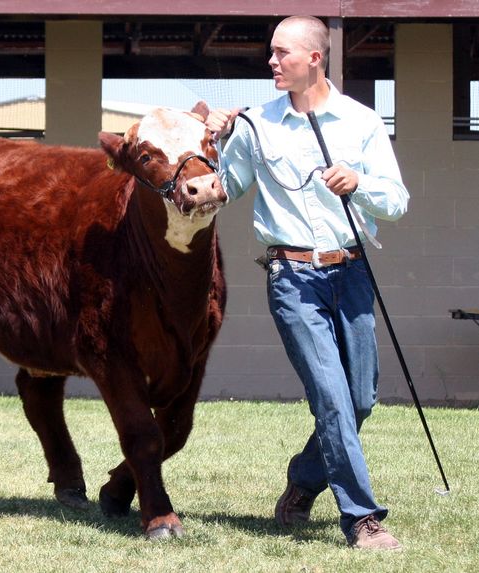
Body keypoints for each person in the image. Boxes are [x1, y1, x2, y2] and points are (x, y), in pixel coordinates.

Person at [206, 16, 409, 550]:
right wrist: (214, 141)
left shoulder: (360, 121)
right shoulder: (255, 125)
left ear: (314, 58)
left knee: (361, 398)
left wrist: (359, 182)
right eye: (271, 54)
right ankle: (362, 518)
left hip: (353, 270)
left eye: (281, 53)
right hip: (292, 277)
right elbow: (223, 188)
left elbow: (396, 201)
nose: (271, 62)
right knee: (332, 397)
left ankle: (302, 481)